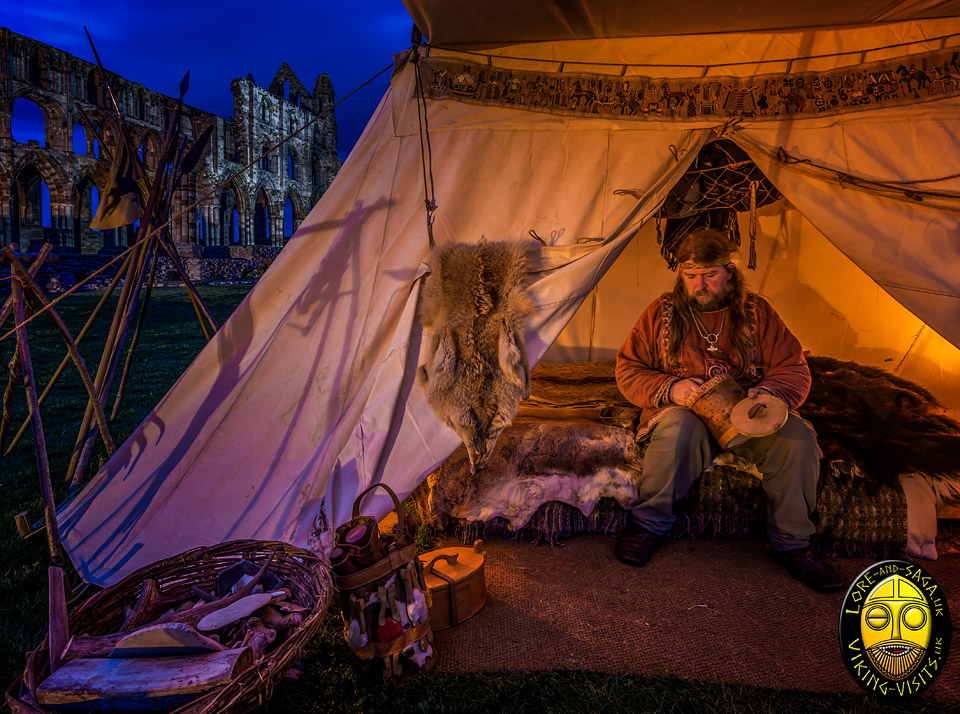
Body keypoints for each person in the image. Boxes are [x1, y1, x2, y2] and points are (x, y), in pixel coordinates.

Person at [614, 228, 842, 593]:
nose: (700, 284)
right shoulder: (662, 312)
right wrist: (671, 388)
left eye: (710, 275)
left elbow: (793, 366)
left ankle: (791, 544)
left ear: (729, 273)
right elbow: (629, 368)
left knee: (796, 438)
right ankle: (648, 527)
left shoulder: (757, 312)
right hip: (686, 411)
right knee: (677, 431)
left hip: (745, 413)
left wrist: (766, 393)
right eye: (691, 277)